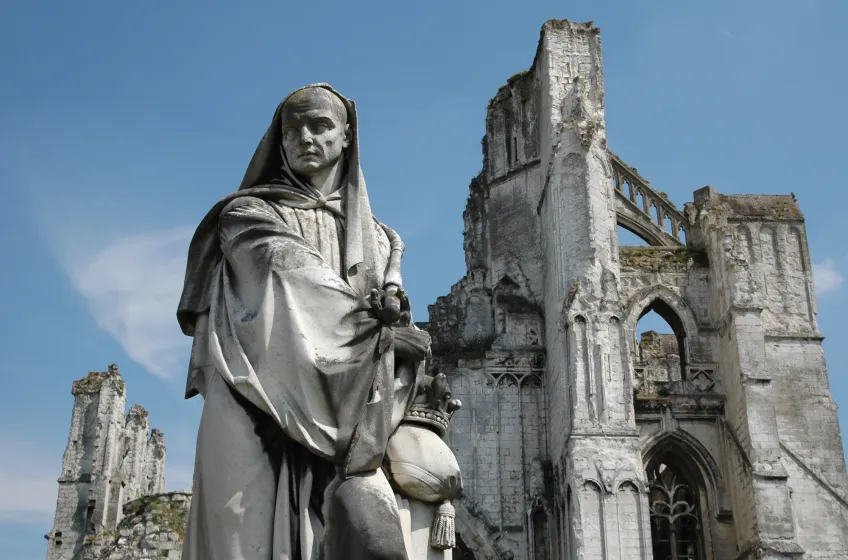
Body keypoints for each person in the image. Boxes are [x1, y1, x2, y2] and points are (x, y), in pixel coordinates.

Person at [176, 84, 430, 560]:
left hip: (346, 404)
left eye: (320, 125)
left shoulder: (377, 238)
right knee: (242, 534)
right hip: (253, 393)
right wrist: (382, 337)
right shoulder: (247, 213)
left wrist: (398, 331)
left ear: (347, 136)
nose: (305, 137)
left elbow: (394, 316)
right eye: (292, 129)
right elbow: (290, 276)